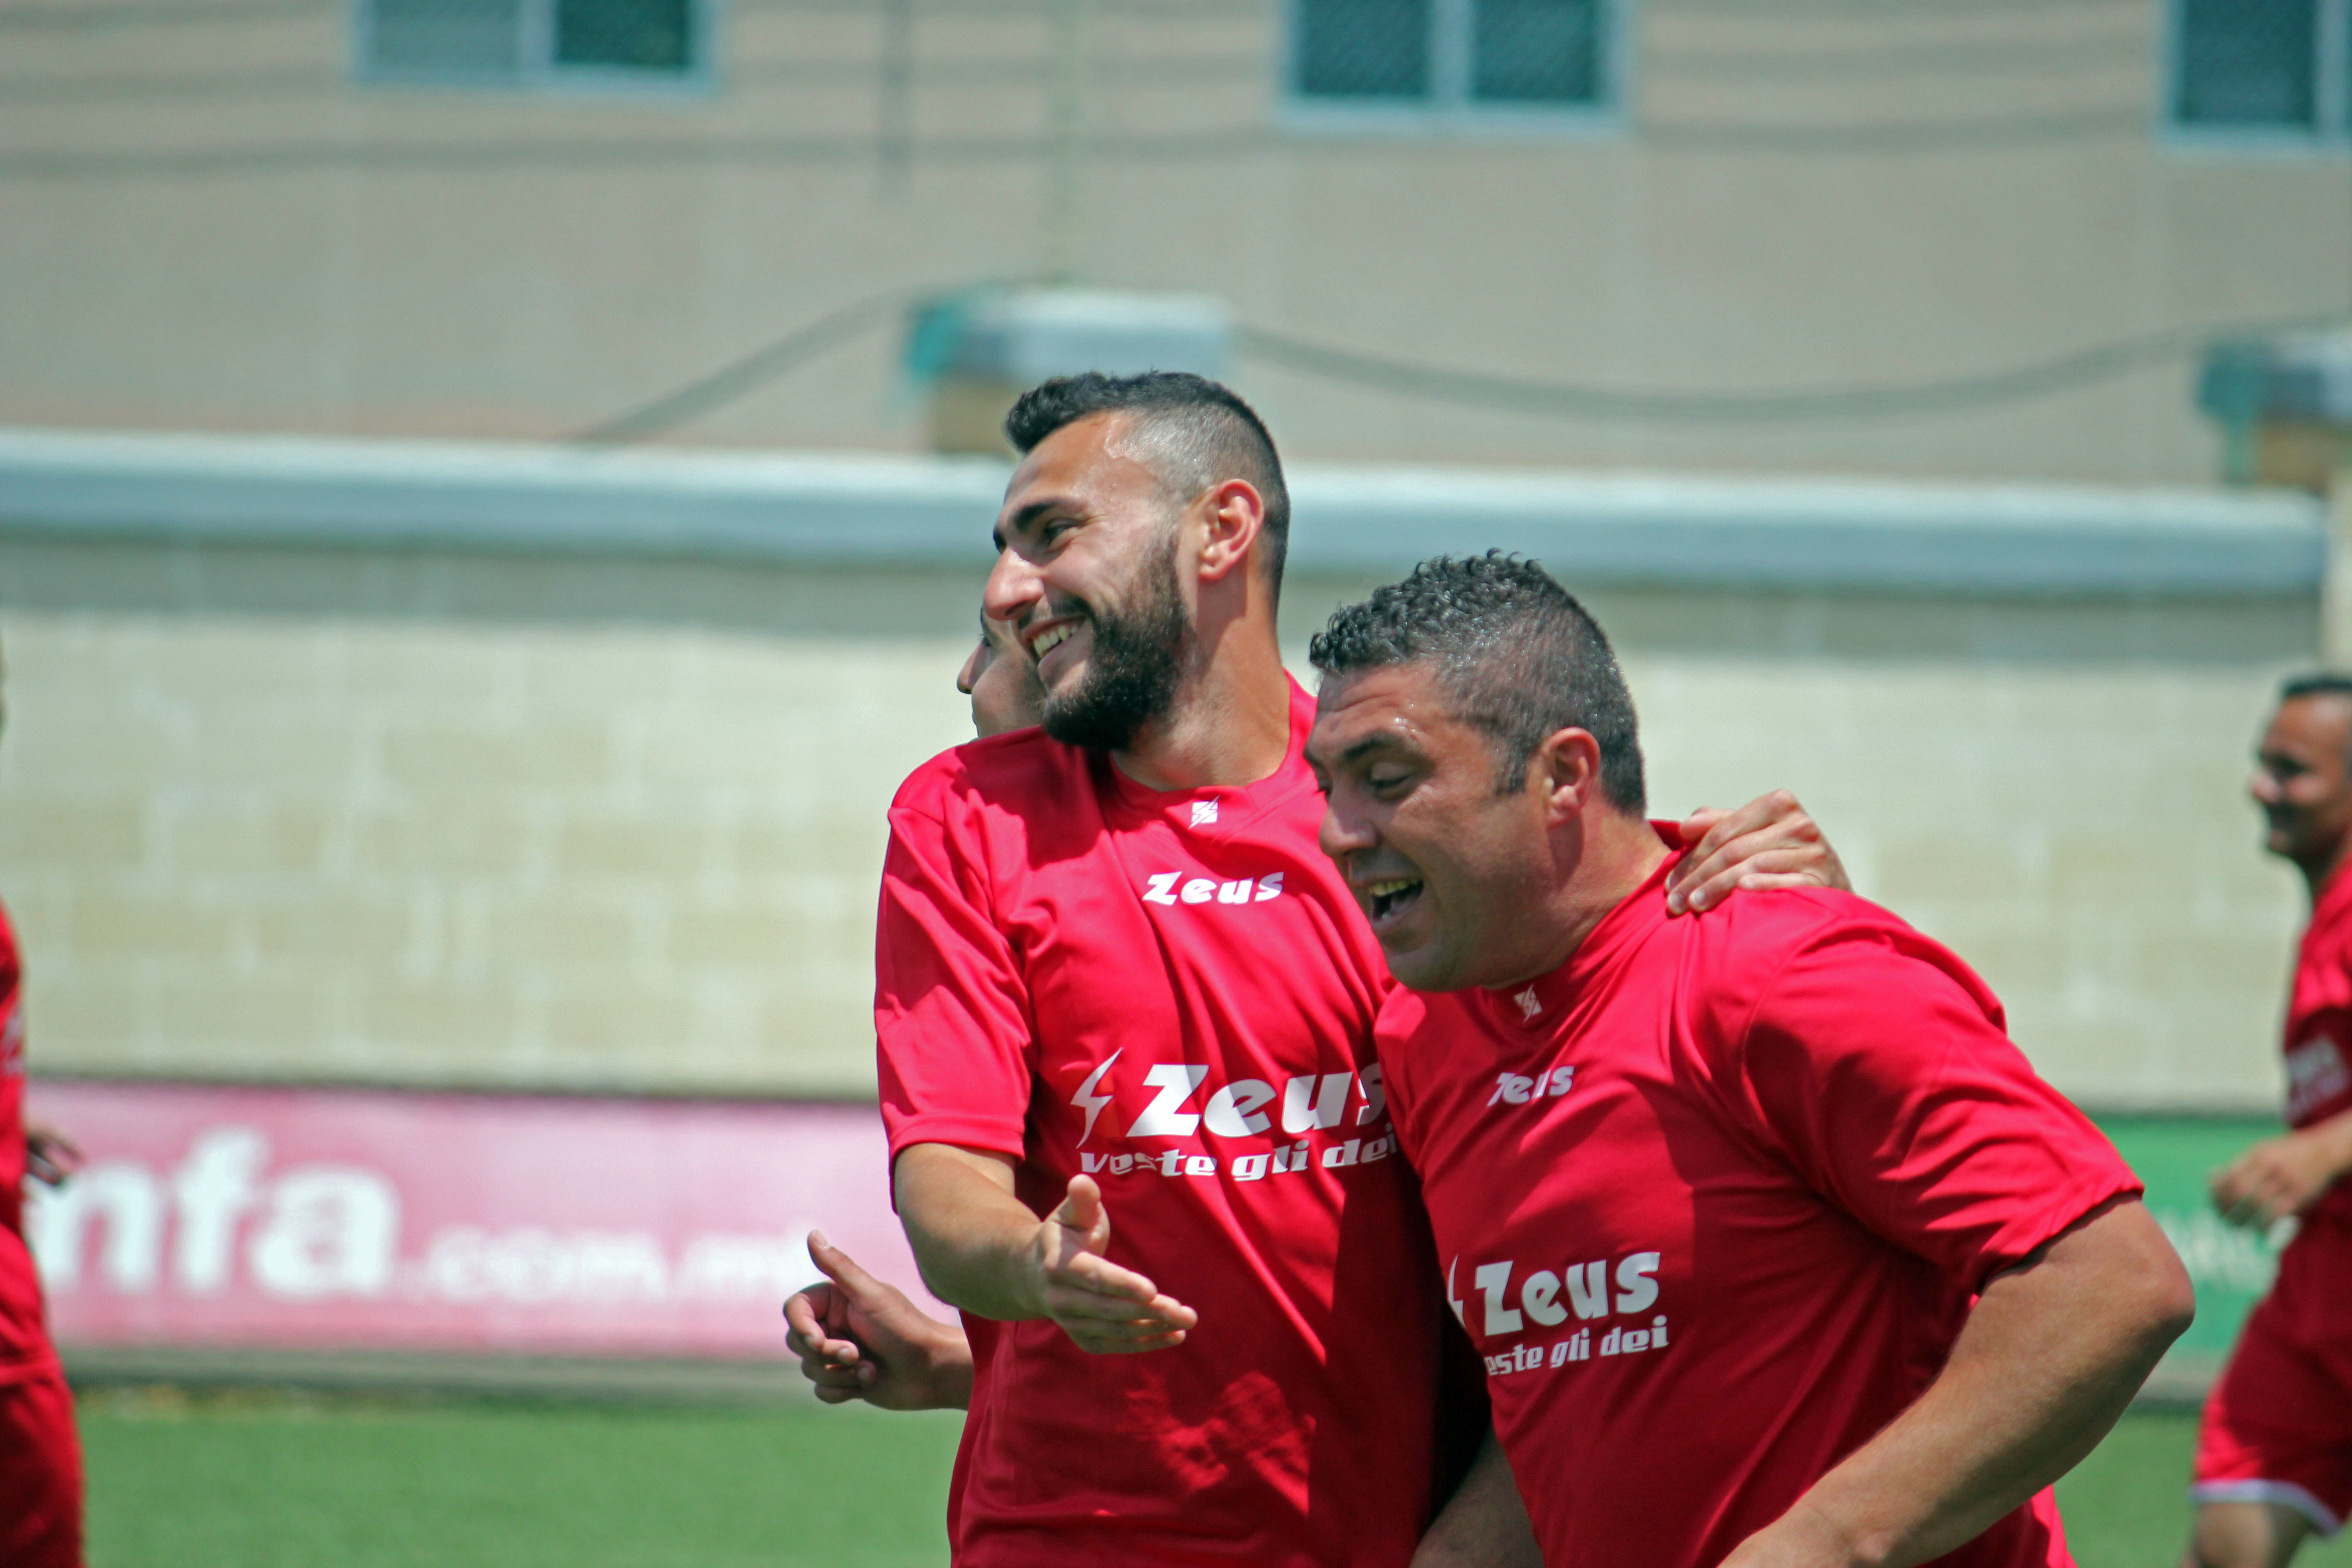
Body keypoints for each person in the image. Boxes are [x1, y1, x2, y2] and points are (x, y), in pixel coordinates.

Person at [829, 371, 1854, 1567]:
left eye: (1053, 533)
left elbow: (1592, 1248)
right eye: (1004, 549)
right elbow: (949, 1193)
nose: (1006, 591)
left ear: (1222, 530)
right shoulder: (967, 815)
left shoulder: (1409, 829)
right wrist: (1028, 1277)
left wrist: (1786, 917)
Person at [1305, 553, 2194, 1568]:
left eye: (1387, 781)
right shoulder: (1425, 1043)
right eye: (1329, 789)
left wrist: (1822, 1543)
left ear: (1564, 778)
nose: (1337, 834)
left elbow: (2112, 1282)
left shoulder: (1782, 969)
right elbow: (1584, 1389)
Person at [2184, 674, 2352, 1568]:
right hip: (2322, 1281)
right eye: (2264, 764)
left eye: (2293, 770)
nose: (2263, 788)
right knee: (2230, 1525)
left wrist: (2328, 1146)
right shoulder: (2328, 910)